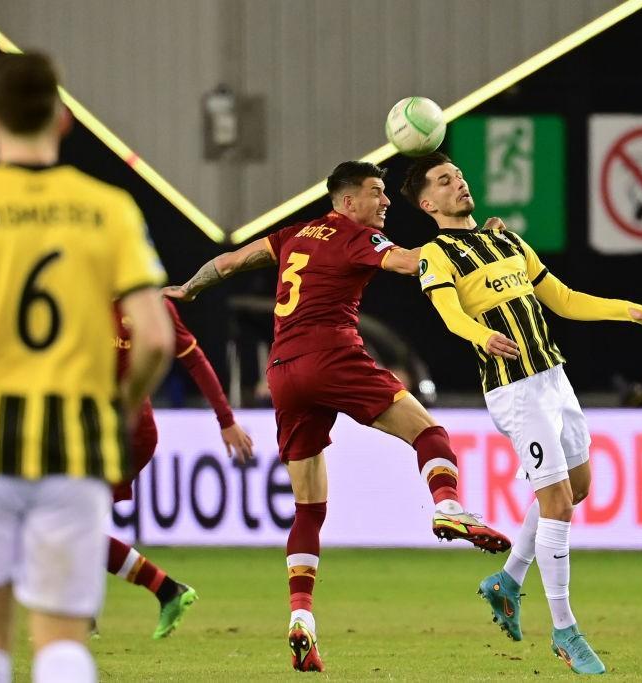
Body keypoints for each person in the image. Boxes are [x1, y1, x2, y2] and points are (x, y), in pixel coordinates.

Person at [165, 160, 511, 672]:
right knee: (429, 432)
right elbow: (410, 263)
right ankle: (448, 505)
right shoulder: (356, 237)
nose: (386, 201)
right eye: (376, 193)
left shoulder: (292, 235)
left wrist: (188, 289)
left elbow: (231, 262)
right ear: (347, 202)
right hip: (333, 356)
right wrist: (473, 243)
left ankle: (301, 617)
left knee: (308, 507)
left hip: (283, 370)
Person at [0, 52, 173, 683]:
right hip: (75, 439)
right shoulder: (108, 208)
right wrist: (119, 407)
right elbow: (158, 340)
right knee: (61, 642)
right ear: (62, 121)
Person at [400, 152, 642, 675]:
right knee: (558, 503)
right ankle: (565, 630)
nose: (460, 183)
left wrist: (628, 311)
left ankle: (508, 581)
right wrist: (483, 334)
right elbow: (450, 313)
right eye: (445, 181)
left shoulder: (506, 239)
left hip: (552, 376)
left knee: (579, 487)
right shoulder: (436, 253)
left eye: (459, 174)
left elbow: (563, 300)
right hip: (514, 388)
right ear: (428, 202)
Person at [104, 296, 254, 639]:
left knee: (66, 527)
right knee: (70, 529)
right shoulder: (79, 295)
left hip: (128, 433)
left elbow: (194, 360)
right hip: (90, 429)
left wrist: (226, 419)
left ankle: (87, 617)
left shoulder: (148, 305)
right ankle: (164, 592)